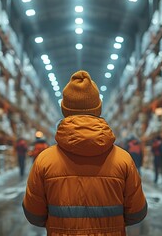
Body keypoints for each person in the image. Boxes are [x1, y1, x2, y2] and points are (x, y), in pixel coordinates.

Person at [23, 70, 147, 235]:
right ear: (98, 109)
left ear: (65, 110)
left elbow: (34, 215)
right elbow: (136, 213)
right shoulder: (123, 159)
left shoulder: (44, 160)